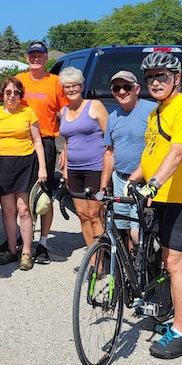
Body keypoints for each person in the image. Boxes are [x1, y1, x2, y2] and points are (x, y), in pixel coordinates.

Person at [131, 51, 182, 359]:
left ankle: (179, 334)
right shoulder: (156, 112)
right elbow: (154, 150)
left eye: (161, 76)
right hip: (165, 196)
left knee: (173, 263)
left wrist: (153, 183)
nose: (155, 82)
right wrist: (134, 178)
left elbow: (176, 153)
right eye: (150, 78)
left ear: (177, 78)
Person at [0, 41, 68, 264]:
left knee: (42, 196)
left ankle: (42, 243)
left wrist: (69, 145)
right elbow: (1, 95)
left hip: (43, 142)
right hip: (19, 143)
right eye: (32, 55)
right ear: (27, 58)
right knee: (15, 201)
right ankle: (14, 242)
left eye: (40, 55)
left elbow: (67, 114)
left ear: (46, 59)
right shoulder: (21, 79)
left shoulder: (55, 83)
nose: (36, 59)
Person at [0, 76, 47, 271]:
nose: (11, 96)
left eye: (16, 93)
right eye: (8, 92)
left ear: (20, 95)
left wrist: (42, 167)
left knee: (24, 210)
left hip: (26, 164)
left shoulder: (28, 112)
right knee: (8, 211)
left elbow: (37, 141)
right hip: (3, 164)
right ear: (2, 94)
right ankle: (12, 249)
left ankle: (26, 252)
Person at [100, 70, 156, 249]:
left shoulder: (152, 111)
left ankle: (149, 264)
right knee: (121, 226)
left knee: (136, 230)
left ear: (137, 89)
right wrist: (103, 185)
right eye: (117, 88)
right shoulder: (113, 116)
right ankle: (131, 271)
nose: (122, 92)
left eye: (127, 87)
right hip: (120, 179)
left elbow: (159, 149)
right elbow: (109, 152)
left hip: (144, 181)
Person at [58, 67, 109, 261]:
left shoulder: (94, 106)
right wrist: (64, 168)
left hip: (95, 168)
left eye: (75, 86)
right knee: (81, 214)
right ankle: (93, 260)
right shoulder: (64, 111)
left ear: (82, 86)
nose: (71, 89)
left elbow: (109, 137)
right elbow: (67, 141)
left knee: (95, 214)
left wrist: (108, 169)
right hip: (74, 170)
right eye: (67, 86)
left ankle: (103, 260)